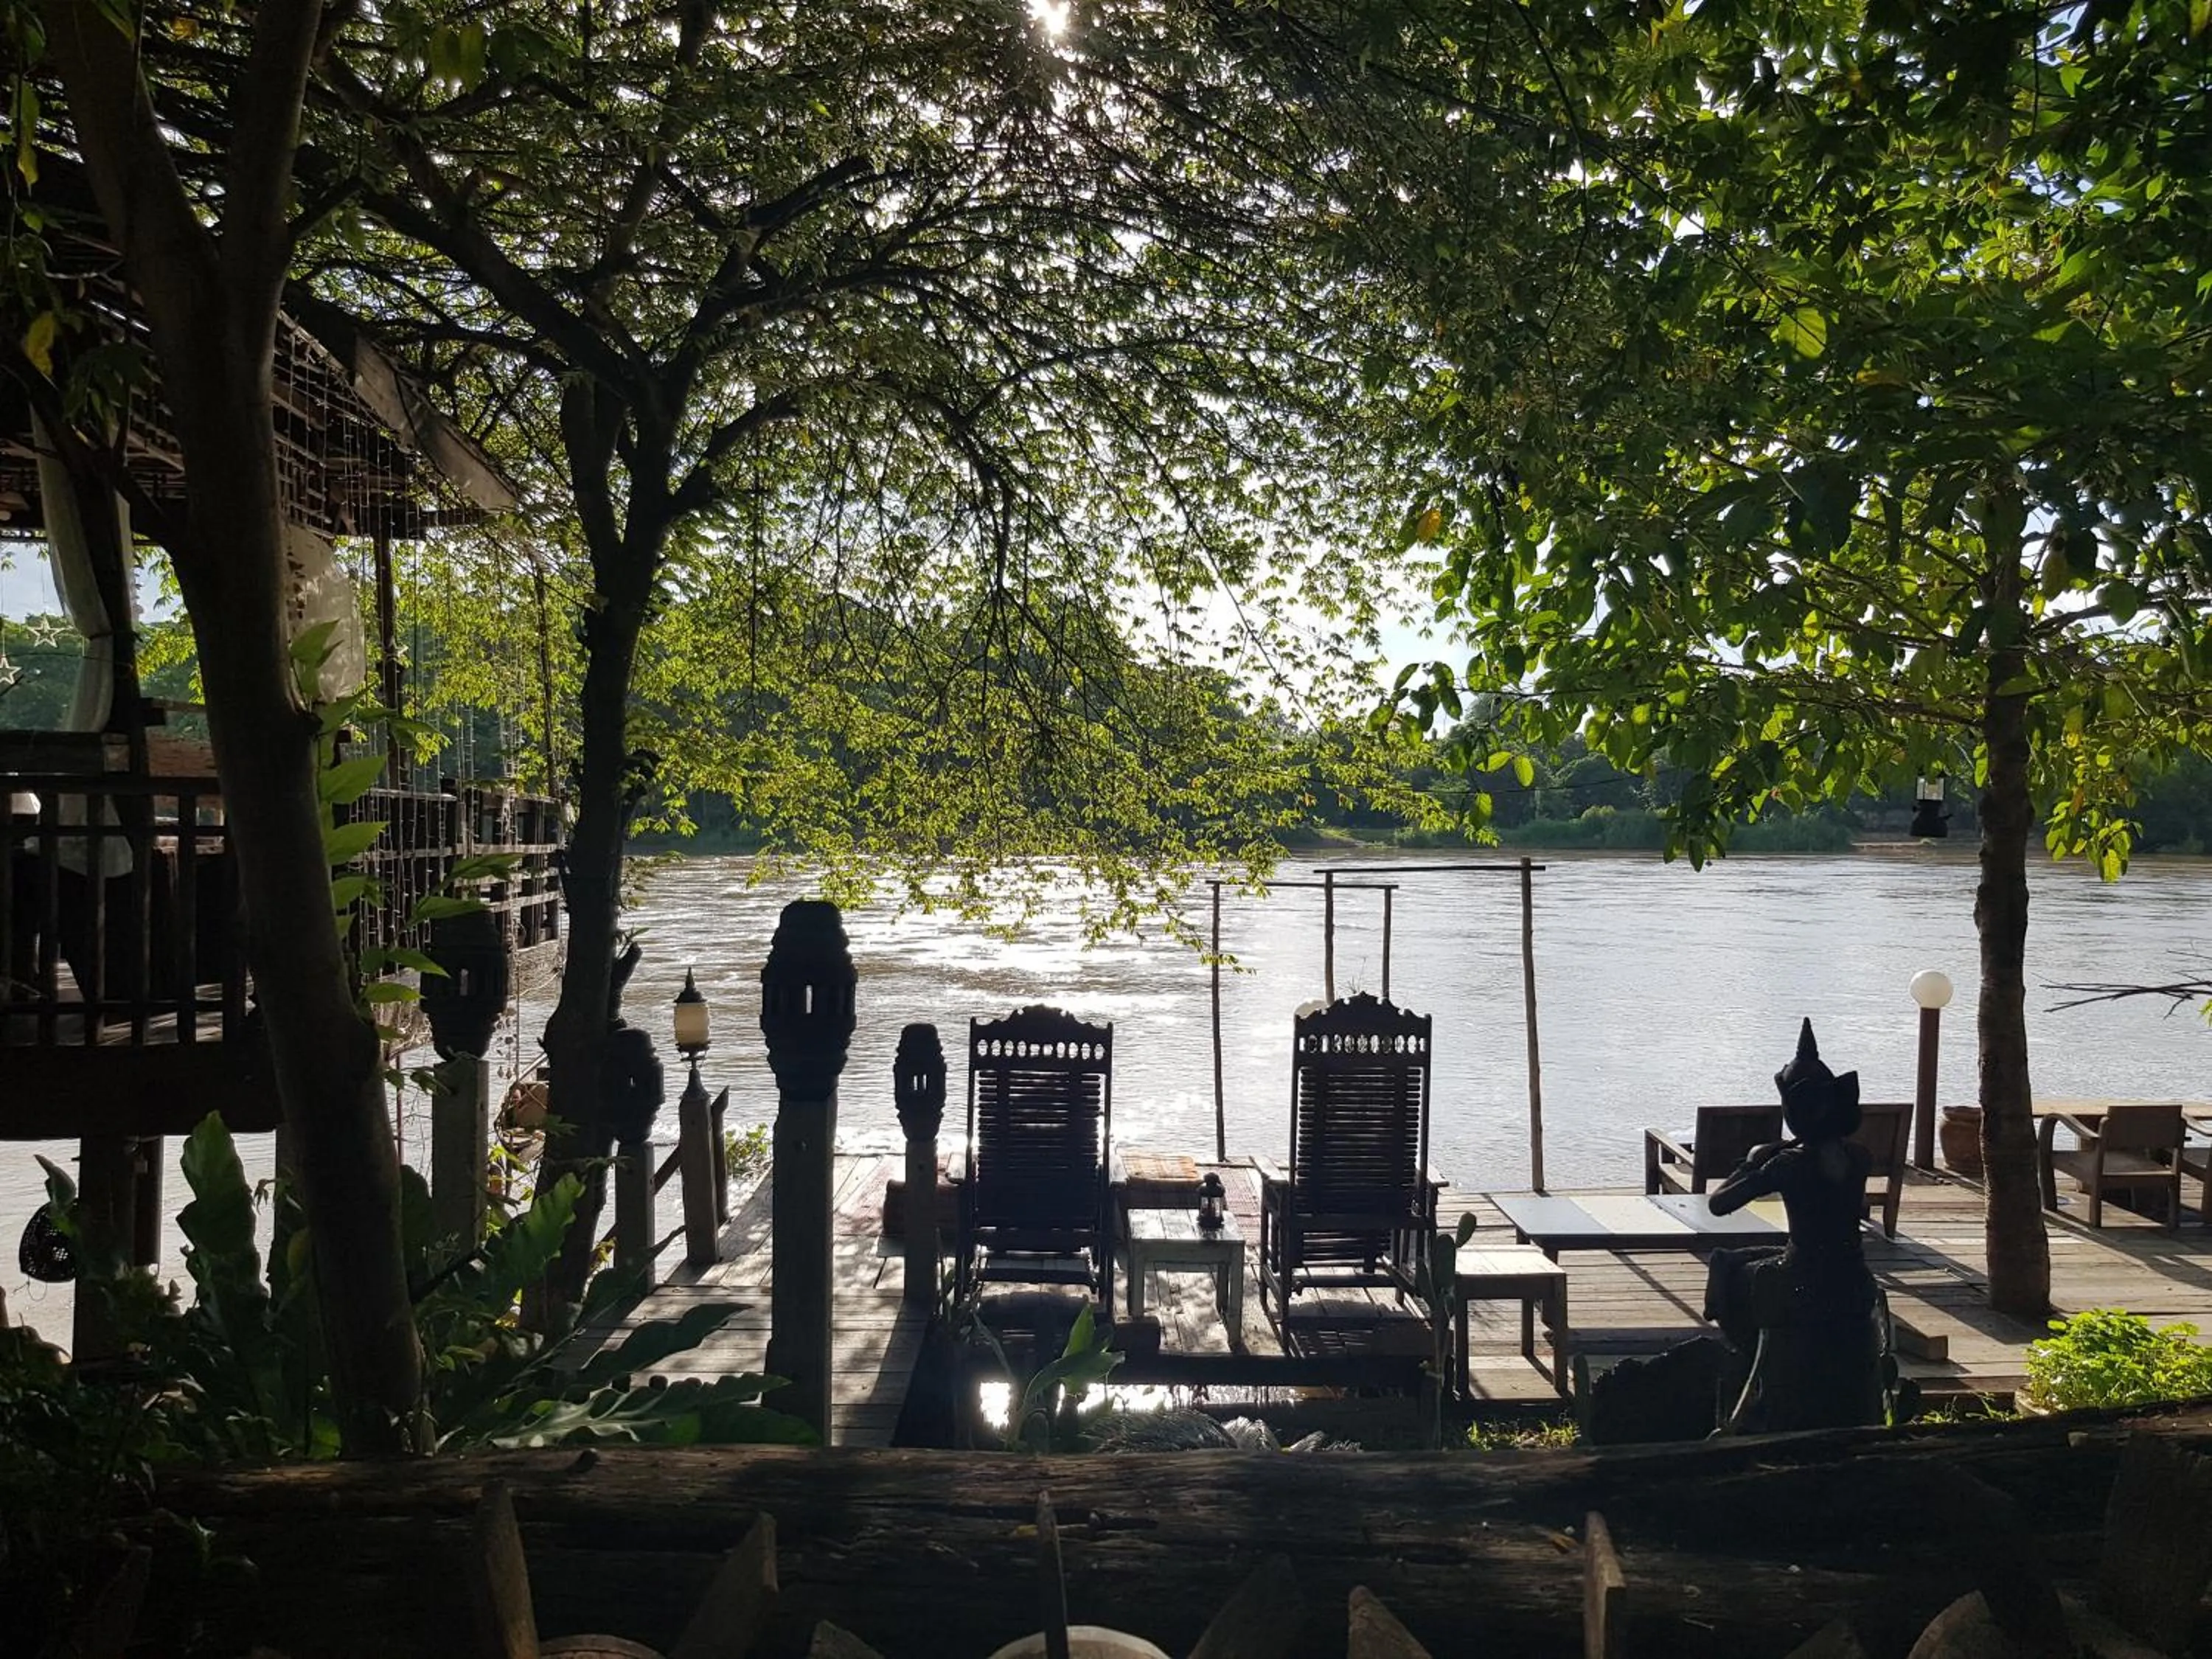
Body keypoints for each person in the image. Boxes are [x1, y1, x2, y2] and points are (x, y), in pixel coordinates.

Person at [1705, 1019, 1888, 1432]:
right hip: (1850, 1273)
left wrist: (1753, 1163)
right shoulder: (1858, 1156)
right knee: (1746, 1258)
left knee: (1728, 1265)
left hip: (1802, 1277)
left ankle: (1751, 1365)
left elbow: (1719, 1204)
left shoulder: (1787, 1164)